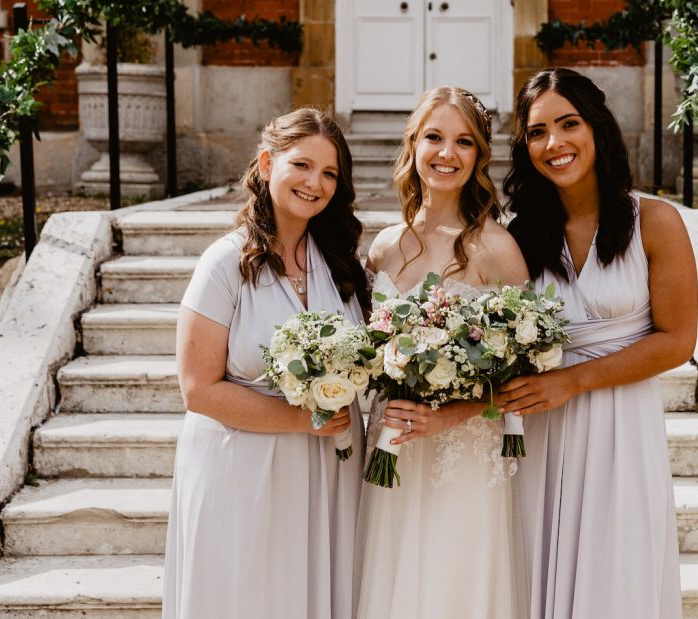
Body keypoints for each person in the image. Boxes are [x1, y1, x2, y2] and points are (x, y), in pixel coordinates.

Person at [499, 68, 698, 618]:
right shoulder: (519, 236)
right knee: (535, 567)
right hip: (541, 431)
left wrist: (574, 379)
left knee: (617, 578)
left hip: (620, 424)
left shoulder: (654, 222)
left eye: (569, 124)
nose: (554, 144)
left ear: (597, 128)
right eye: (538, 132)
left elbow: (678, 340)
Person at [163, 108, 371, 619]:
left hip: (329, 467)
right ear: (264, 164)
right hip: (244, 468)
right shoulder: (225, 263)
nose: (315, 183)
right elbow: (199, 389)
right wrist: (302, 418)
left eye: (329, 173)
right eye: (301, 165)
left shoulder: (342, 265)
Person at [354, 87, 530, 619]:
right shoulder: (384, 246)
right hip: (393, 445)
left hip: (464, 453)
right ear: (414, 144)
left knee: (456, 584)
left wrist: (452, 413)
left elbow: (530, 371)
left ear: (479, 156)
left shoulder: (496, 247)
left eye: (463, 142)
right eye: (434, 137)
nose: (446, 153)